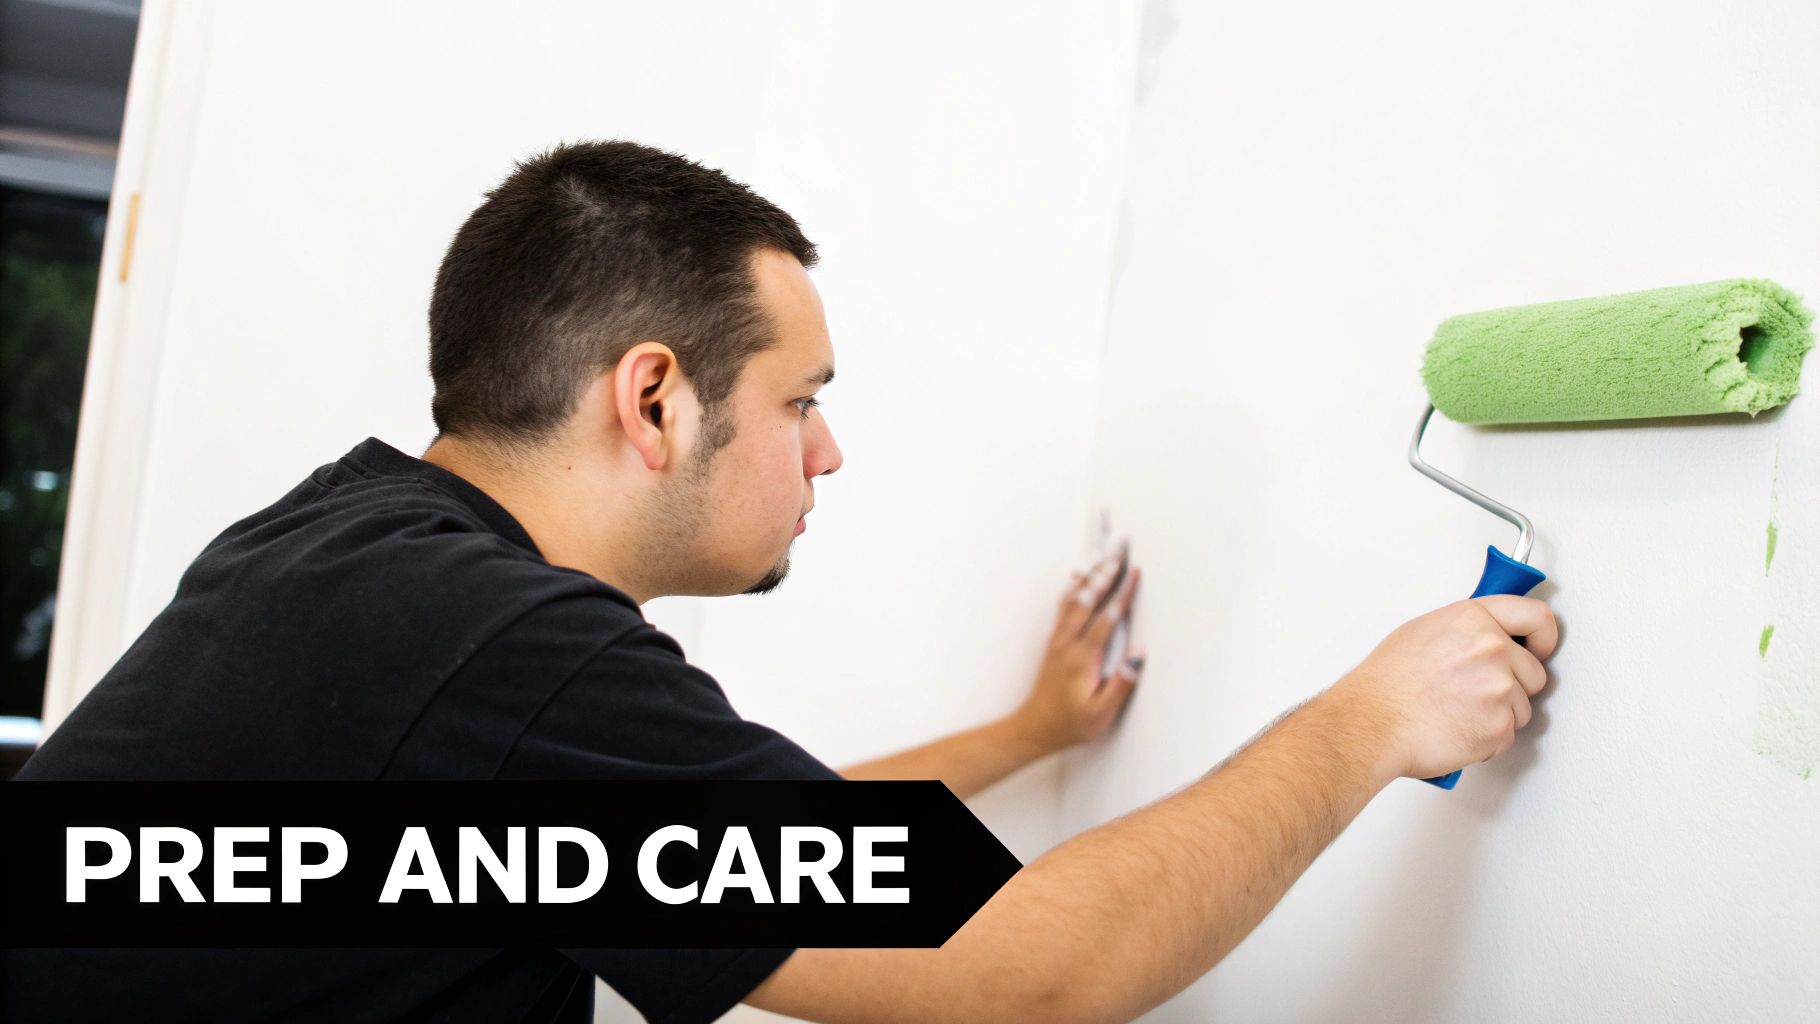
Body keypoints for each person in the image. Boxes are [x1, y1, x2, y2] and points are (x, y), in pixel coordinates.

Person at [4, 140, 1557, 1024]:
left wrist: (1028, 734)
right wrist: (1367, 720)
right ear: (658, 397)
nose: (827, 456)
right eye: (803, 400)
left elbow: (702, 846)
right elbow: (1033, 975)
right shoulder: (498, 653)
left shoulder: (346, 554)